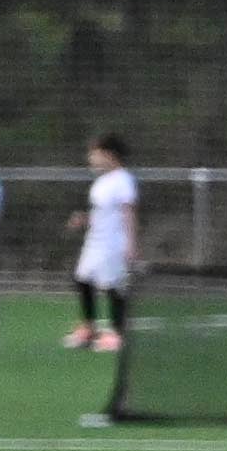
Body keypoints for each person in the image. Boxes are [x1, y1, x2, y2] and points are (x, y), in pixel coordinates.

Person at [71, 135, 141, 352]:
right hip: (95, 241)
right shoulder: (101, 181)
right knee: (82, 279)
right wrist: (84, 219)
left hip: (113, 243)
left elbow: (128, 213)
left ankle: (117, 333)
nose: (91, 158)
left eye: (95, 153)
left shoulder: (123, 180)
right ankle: (89, 327)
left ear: (109, 155)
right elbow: (101, 213)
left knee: (113, 287)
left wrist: (131, 244)